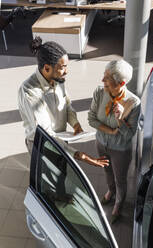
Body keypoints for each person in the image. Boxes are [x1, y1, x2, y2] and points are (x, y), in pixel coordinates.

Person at [18, 36, 109, 169]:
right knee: (50, 183)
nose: (66, 71)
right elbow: (46, 134)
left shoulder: (57, 79)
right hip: (43, 144)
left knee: (63, 173)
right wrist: (80, 155)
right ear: (47, 68)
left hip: (61, 139)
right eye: (62, 67)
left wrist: (75, 124)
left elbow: (66, 104)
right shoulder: (29, 91)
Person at [88, 59, 141, 224]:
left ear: (121, 83)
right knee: (107, 171)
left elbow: (128, 135)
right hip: (101, 143)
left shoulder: (133, 103)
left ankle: (119, 203)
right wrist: (111, 130)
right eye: (104, 75)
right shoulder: (99, 91)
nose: (102, 80)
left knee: (120, 179)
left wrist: (120, 120)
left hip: (120, 149)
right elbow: (91, 120)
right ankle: (111, 192)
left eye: (107, 78)